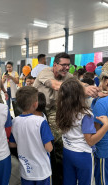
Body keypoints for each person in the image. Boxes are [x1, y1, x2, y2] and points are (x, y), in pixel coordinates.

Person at [33, 52, 99, 185]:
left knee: (64, 134)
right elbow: (57, 86)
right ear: (55, 65)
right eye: (63, 65)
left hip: (56, 109)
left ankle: (62, 171)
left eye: (68, 65)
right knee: (58, 138)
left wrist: (96, 90)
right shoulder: (45, 72)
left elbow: (79, 84)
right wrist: (81, 90)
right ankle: (57, 173)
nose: (67, 68)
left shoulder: (68, 76)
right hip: (38, 109)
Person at [56, 78, 108, 185]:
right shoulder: (86, 115)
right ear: (79, 95)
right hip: (83, 155)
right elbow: (90, 141)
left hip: (67, 151)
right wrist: (106, 126)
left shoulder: (62, 109)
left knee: (69, 181)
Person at [9, 86, 54, 185]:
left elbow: (12, 144)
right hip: (42, 171)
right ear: (35, 104)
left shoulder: (15, 122)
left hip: (26, 170)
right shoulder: (41, 121)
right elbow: (49, 148)